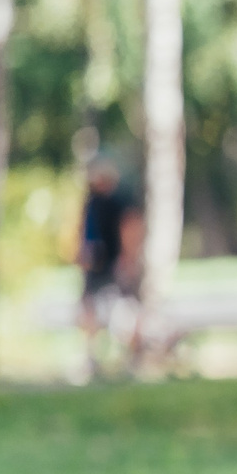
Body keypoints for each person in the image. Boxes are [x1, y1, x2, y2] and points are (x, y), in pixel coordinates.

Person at [76, 157, 144, 374]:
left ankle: (132, 357)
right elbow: (84, 231)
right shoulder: (91, 202)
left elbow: (130, 229)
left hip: (113, 264)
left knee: (126, 309)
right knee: (90, 309)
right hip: (94, 265)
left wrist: (128, 259)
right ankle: (91, 356)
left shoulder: (120, 201)